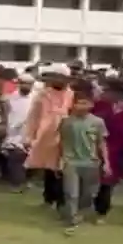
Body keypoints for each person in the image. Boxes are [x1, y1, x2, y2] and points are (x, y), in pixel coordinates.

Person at [57, 83, 109, 234]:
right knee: (71, 192)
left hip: (91, 162)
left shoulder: (97, 122)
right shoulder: (66, 122)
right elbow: (62, 141)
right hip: (71, 161)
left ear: (91, 104)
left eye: (85, 103)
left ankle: (80, 211)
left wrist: (106, 163)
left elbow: (101, 143)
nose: (81, 106)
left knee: (88, 193)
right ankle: (72, 217)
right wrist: (60, 159)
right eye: (78, 103)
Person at [23, 64, 74, 209]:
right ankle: (49, 198)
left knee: (62, 169)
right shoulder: (43, 95)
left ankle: (61, 201)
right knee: (49, 169)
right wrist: (29, 136)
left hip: (66, 136)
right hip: (46, 136)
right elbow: (33, 117)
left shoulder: (72, 95)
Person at [91, 79, 123, 219]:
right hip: (97, 147)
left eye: (107, 91)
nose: (103, 93)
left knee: (108, 181)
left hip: (118, 150)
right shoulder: (98, 106)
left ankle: (102, 209)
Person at [0, 73, 36, 189]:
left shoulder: (36, 98)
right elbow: (5, 114)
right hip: (13, 131)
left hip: (30, 131)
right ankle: (17, 183)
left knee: (28, 159)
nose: (26, 86)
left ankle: (24, 181)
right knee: (15, 158)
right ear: (19, 84)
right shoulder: (9, 98)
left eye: (29, 84)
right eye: (24, 83)